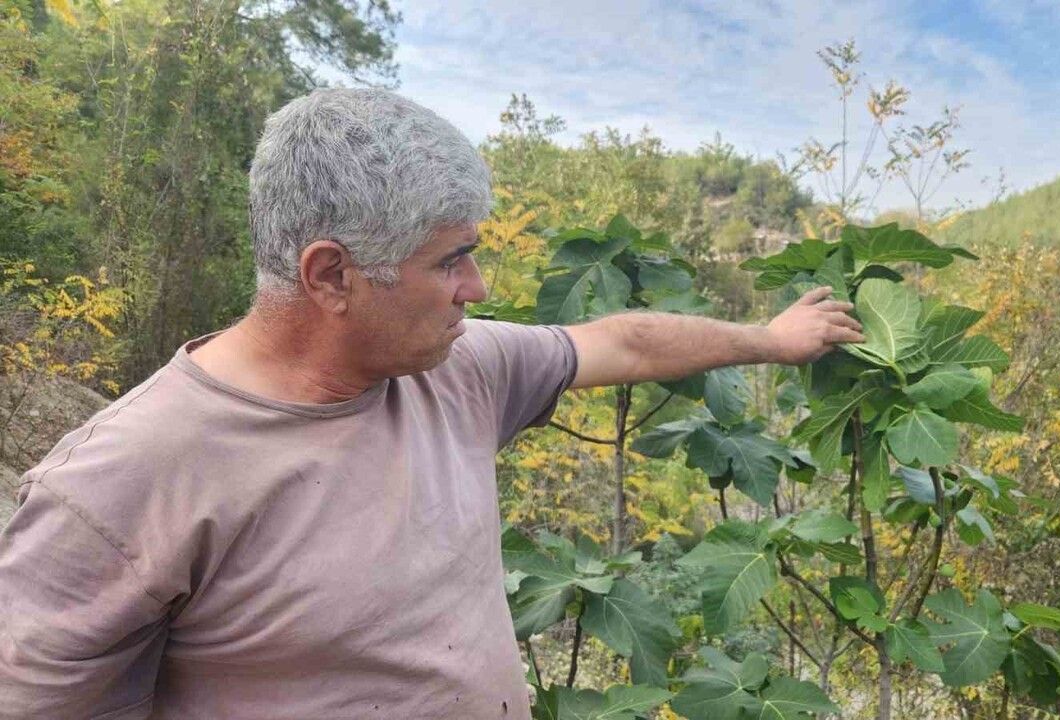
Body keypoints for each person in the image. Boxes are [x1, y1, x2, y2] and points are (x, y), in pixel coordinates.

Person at [0, 88, 863, 718]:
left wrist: (770, 337)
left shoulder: (457, 368)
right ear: (332, 275)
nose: (478, 288)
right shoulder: (124, 480)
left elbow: (624, 342)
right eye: (450, 260)